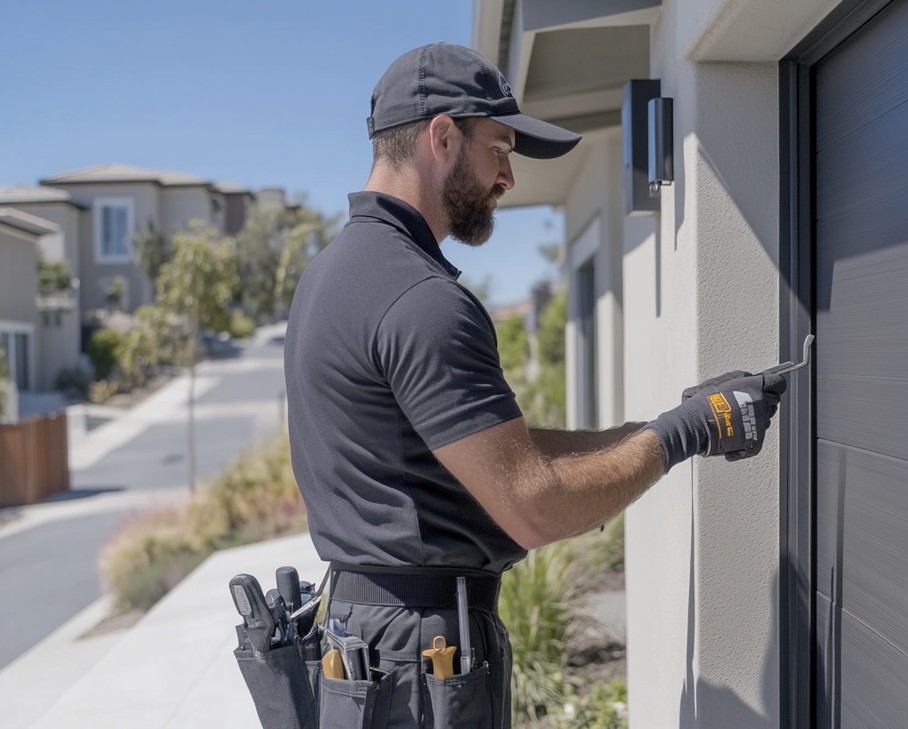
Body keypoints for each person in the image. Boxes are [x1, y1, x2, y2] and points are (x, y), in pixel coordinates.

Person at [284, 42, 788, 729]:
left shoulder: (332, 276)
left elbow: (491, 449)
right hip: (414, 658)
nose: (508, 177)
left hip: (364, 637)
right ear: (442, 135)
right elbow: (531, 504)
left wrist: (659, 421)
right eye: (499, 148)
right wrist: (692, 430)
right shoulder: (419, 299)